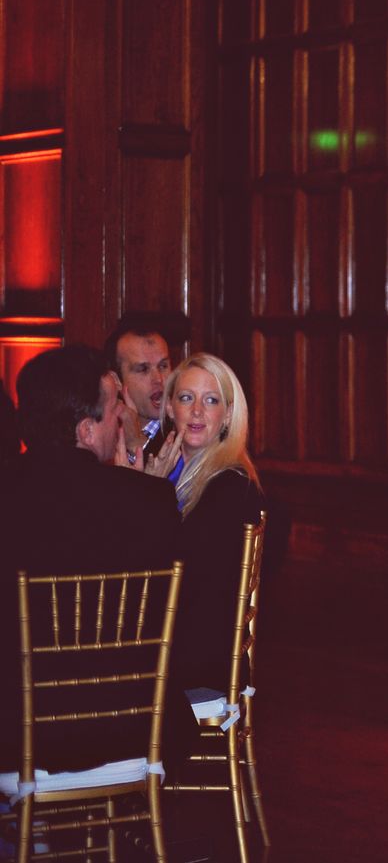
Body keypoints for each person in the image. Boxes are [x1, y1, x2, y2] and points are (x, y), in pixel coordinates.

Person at [0, 345, 181, 774]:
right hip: (127, 727)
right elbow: (171, 617)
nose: (122, 415)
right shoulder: (148, 500)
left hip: (13, 735)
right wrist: (141, 488)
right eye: (115, 405)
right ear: (86, 430)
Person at [162, 353, 267, 696]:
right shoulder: (176, 472)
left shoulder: (232, 486)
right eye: (186, 398)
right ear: (169, 408)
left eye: (211, 401)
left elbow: (180, 570)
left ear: (228, 415)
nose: (196, 411)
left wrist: (146, 493)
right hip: (184, 641)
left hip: (201, 665)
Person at [103, 316, 182, 474]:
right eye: (143, 369)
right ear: (116, 380)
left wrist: (136, 443)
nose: (158, 379)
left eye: (163, 366)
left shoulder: (188, 428)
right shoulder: (101, 431)